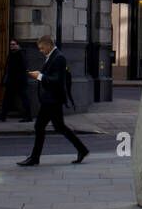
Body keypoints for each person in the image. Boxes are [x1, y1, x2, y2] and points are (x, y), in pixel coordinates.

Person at [17, 36, 89, 167]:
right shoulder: (53, 56)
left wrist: (38, 76)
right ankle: (82, 149)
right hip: (51, 99)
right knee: (59, 127)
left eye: (42, 48)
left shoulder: (58, 58)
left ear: (49, 45)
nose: (40, 50)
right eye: (39, 48)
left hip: (52, 100)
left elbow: (56, 80)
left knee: (39, 126)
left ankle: (34, 158)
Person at [0, 39, 32, 122]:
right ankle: (3, 116)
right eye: (11, 44)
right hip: (11, 82)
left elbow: (24, 67)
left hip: (19, 82)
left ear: (18, 45)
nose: (12, 46)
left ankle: (29, 117)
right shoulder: (12, 54)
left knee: (24, 99)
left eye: (14, 44)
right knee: (7, 99)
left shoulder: (20, 54)